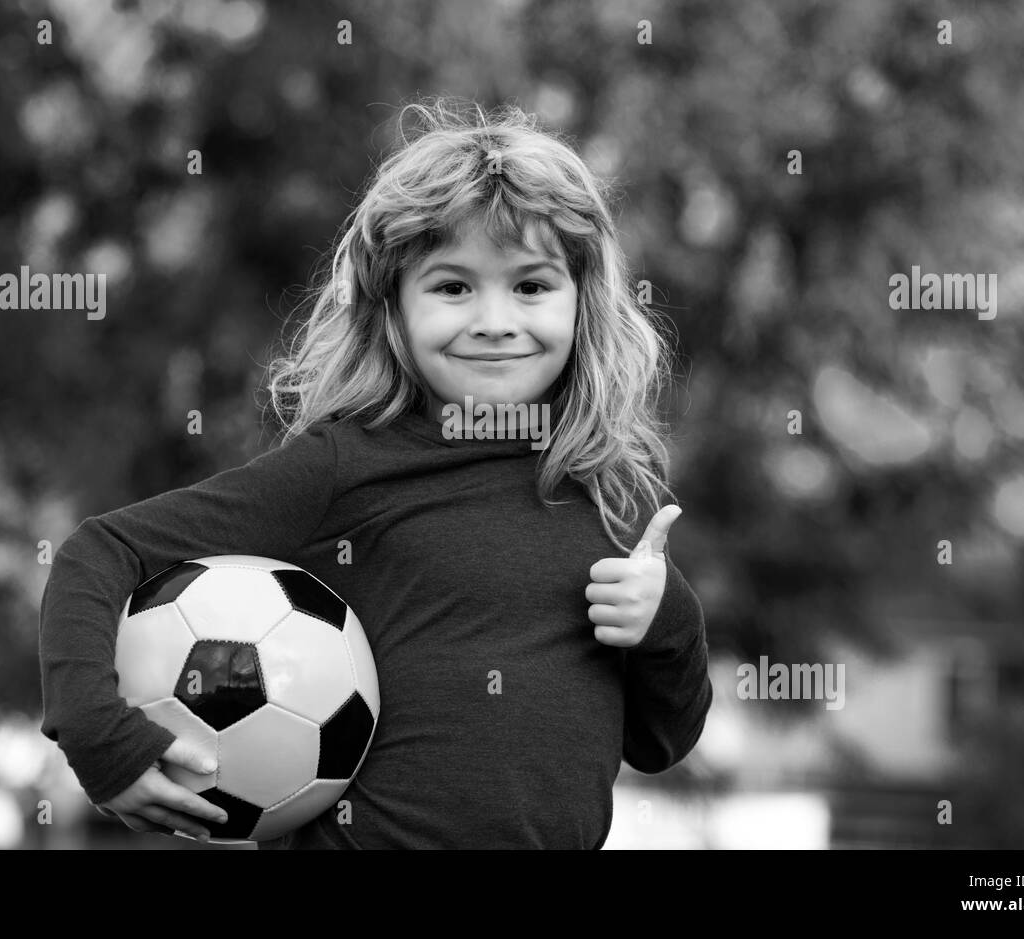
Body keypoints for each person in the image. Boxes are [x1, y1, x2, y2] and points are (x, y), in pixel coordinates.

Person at [39, 97, 713, 849]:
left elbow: (661, 741)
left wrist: (668, 621)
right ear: (392, 308)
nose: (495, 319)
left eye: (531, 285)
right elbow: (100, 552)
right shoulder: (344, 465)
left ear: (584, 303)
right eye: (453, 286)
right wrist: (103, 745)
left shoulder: (604, 489)